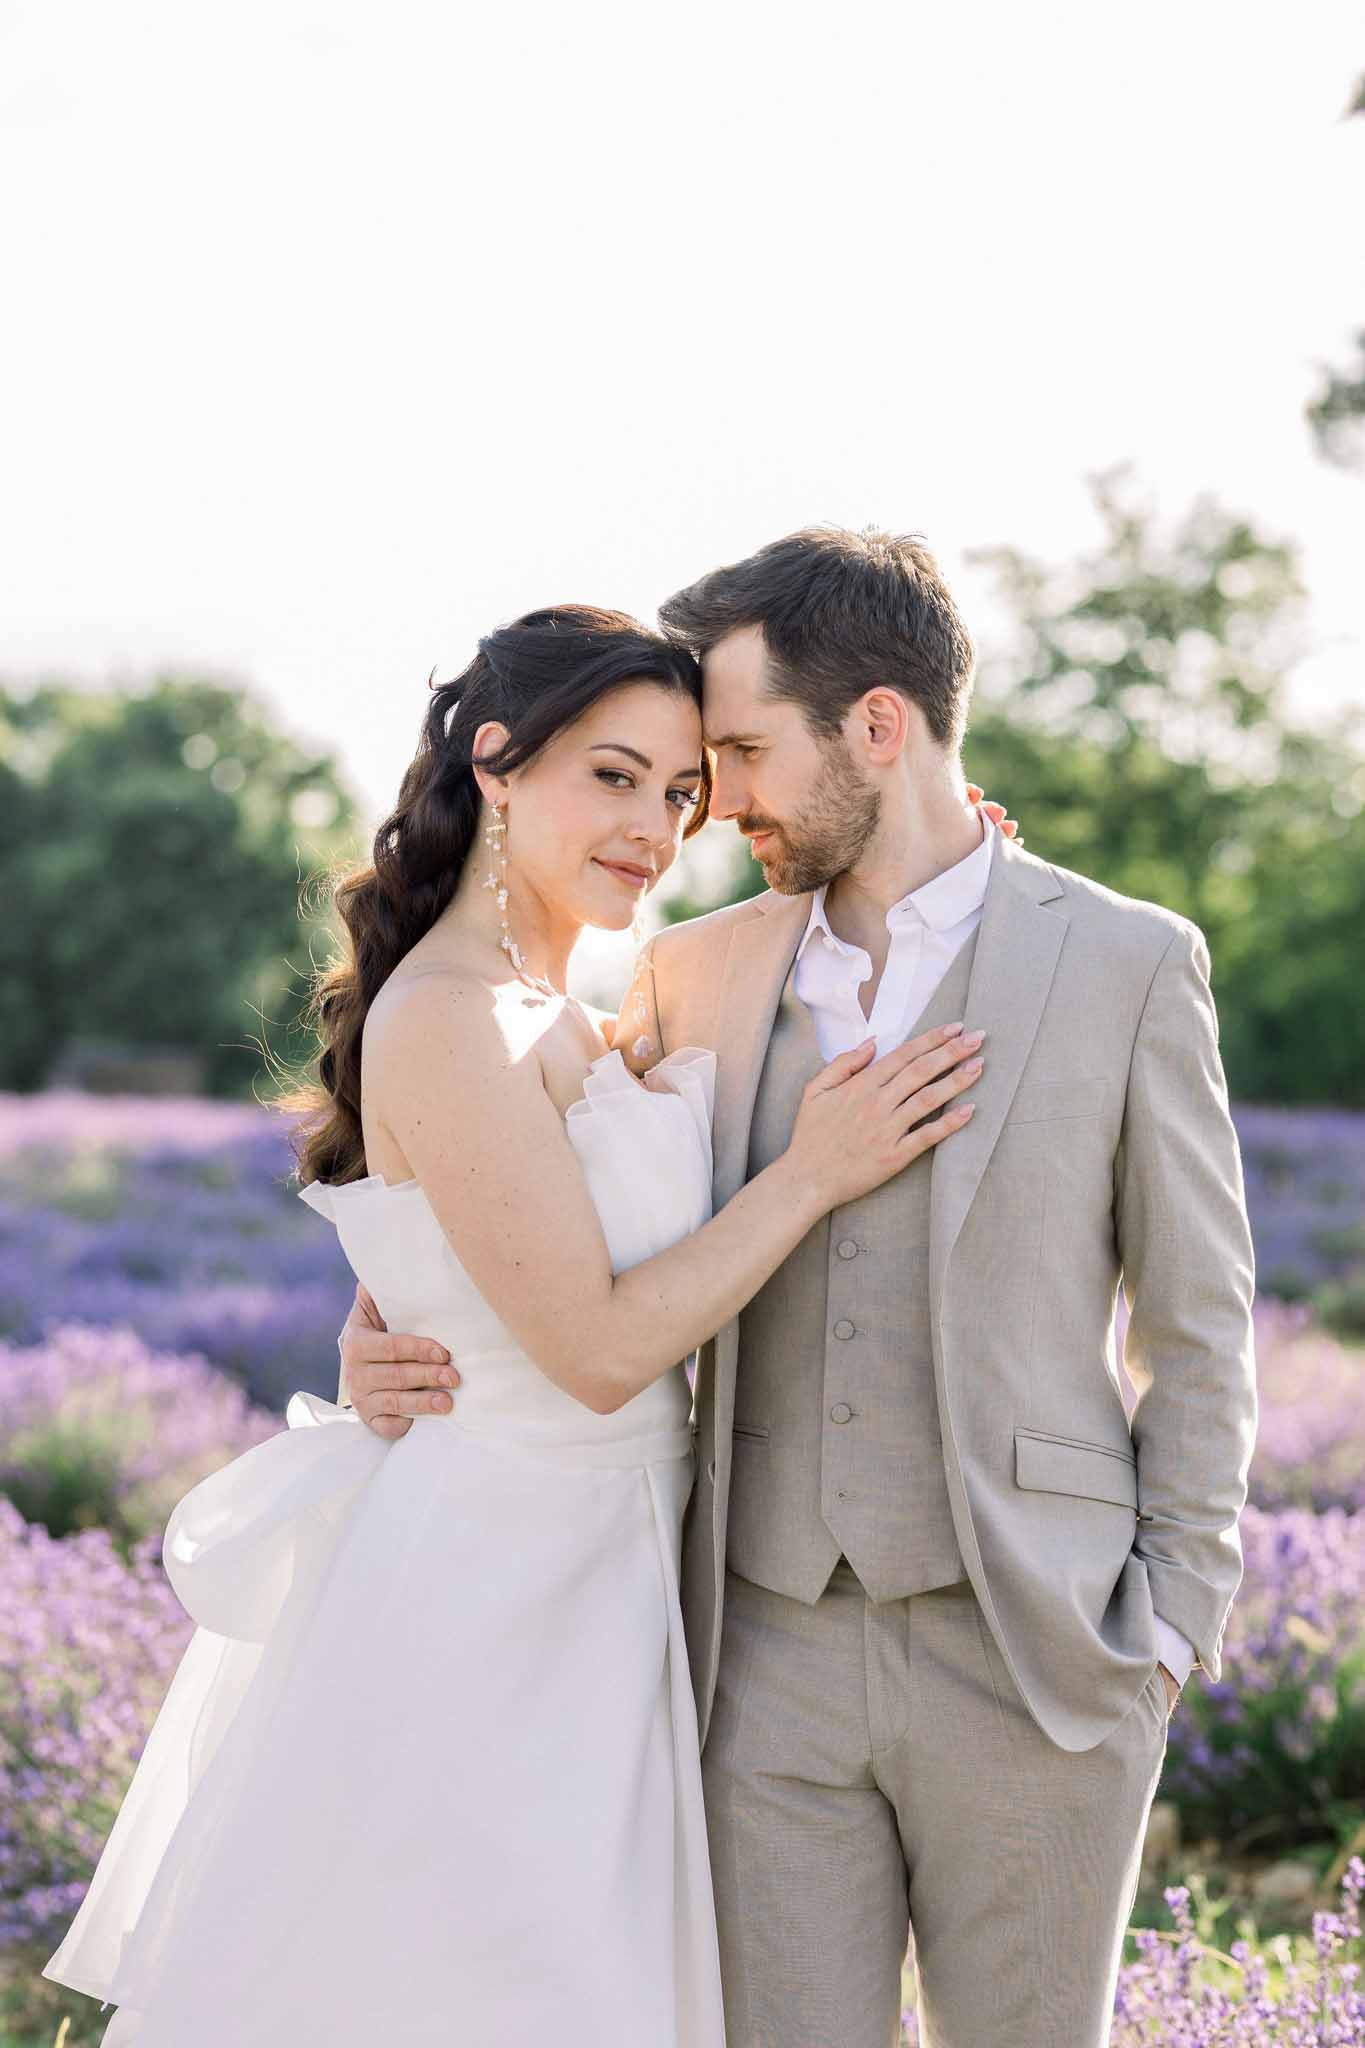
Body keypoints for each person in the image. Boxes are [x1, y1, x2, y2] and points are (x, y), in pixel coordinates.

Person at [342, 534, 1258, 2048]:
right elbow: (523, 1204)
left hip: (1039, 1652)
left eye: (739, 758)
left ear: (879, 728)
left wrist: (1165, 1632)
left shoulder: (1124, 961)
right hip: (753, 1659)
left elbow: (1201, 1322)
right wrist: (388, 1328)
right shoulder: (690, 973)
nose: (715, 809)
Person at [43, 603, 993, 2046]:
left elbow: (491, 1237)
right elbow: (602, 1349)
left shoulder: (571, 1003)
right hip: (498, 1582)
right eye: (611, 776)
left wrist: (936, 850)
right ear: (495, 763)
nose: (654, 827)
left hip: (614, 1568)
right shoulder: (447, 1014)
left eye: (681, 793)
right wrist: (812, 1171)